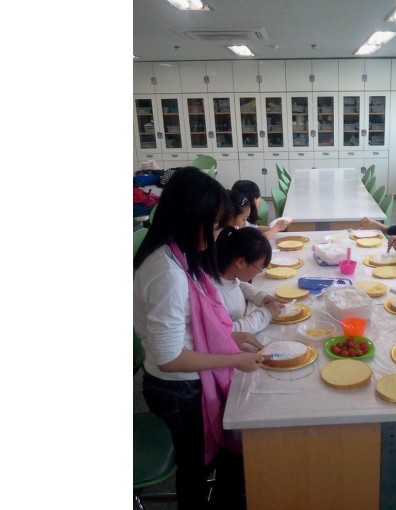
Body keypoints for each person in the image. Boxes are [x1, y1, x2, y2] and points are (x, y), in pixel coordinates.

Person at [133, 167, 264, 510]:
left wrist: (230, 337)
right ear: (191, 218)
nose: (220, 232)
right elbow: (169, 357)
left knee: (223, 450)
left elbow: (194, 324)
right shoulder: (166, 272)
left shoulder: (178, 252)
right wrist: (233, 358)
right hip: (177, 387)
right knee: (195, 467)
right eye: (216, 224)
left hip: (186, 376)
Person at [215, 226, 287, 333]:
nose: (259, 273)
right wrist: (266, 314)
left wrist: (262, 297)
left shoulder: (229, 276)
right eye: (260, 268)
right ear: (241, 262)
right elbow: (227, 332)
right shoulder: (215, 294)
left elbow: (240, 285)